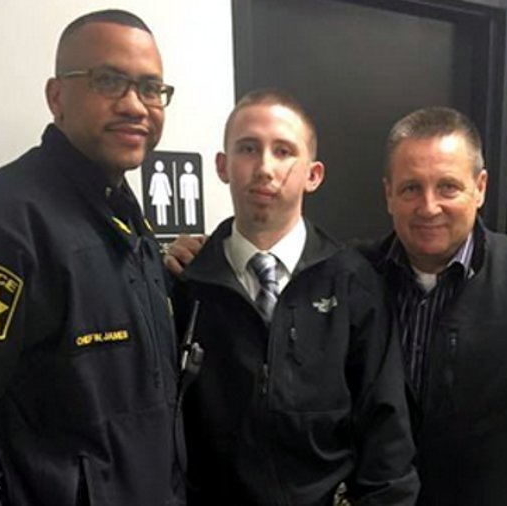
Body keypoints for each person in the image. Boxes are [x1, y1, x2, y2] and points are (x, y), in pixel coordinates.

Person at [165, 106, 507, 505]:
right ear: (388, 193)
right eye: (410, 188)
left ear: (480, 187)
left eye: (447, 186)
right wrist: (200, 255)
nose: (428, 206)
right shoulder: (350, 276)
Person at [0, 10, 184, 505]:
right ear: (56, 97)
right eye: (109, 81)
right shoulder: (3, 216)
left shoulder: (130, 221)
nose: (135, 105)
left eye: (151, 88)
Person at [173, 89, 419, 505]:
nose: (265, 167)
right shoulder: (186, 285)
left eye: (284, 151)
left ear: (313, 174)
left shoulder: (354, 283)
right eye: (248, 148)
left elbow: (386, 435)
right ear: (223, 165)